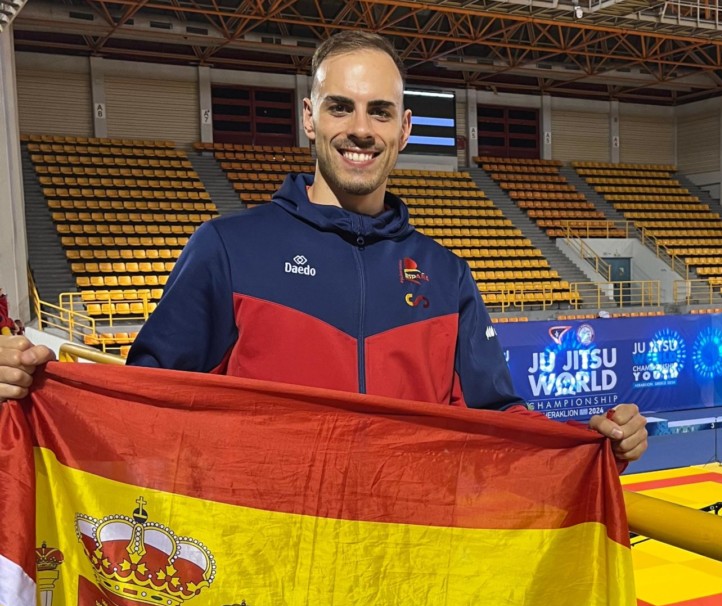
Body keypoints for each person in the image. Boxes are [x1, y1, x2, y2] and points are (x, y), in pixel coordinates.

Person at [0, 31, 647, 462]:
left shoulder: (447, 275)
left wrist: (590, 442)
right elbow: (142, 407)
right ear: (309, 117)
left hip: (402, 574)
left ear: (404, 129)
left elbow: (499, 423)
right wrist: (33, 386)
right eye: (341, 107)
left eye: (379, 112)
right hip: (263, 580)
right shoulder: (228, 250)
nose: (360, 130)